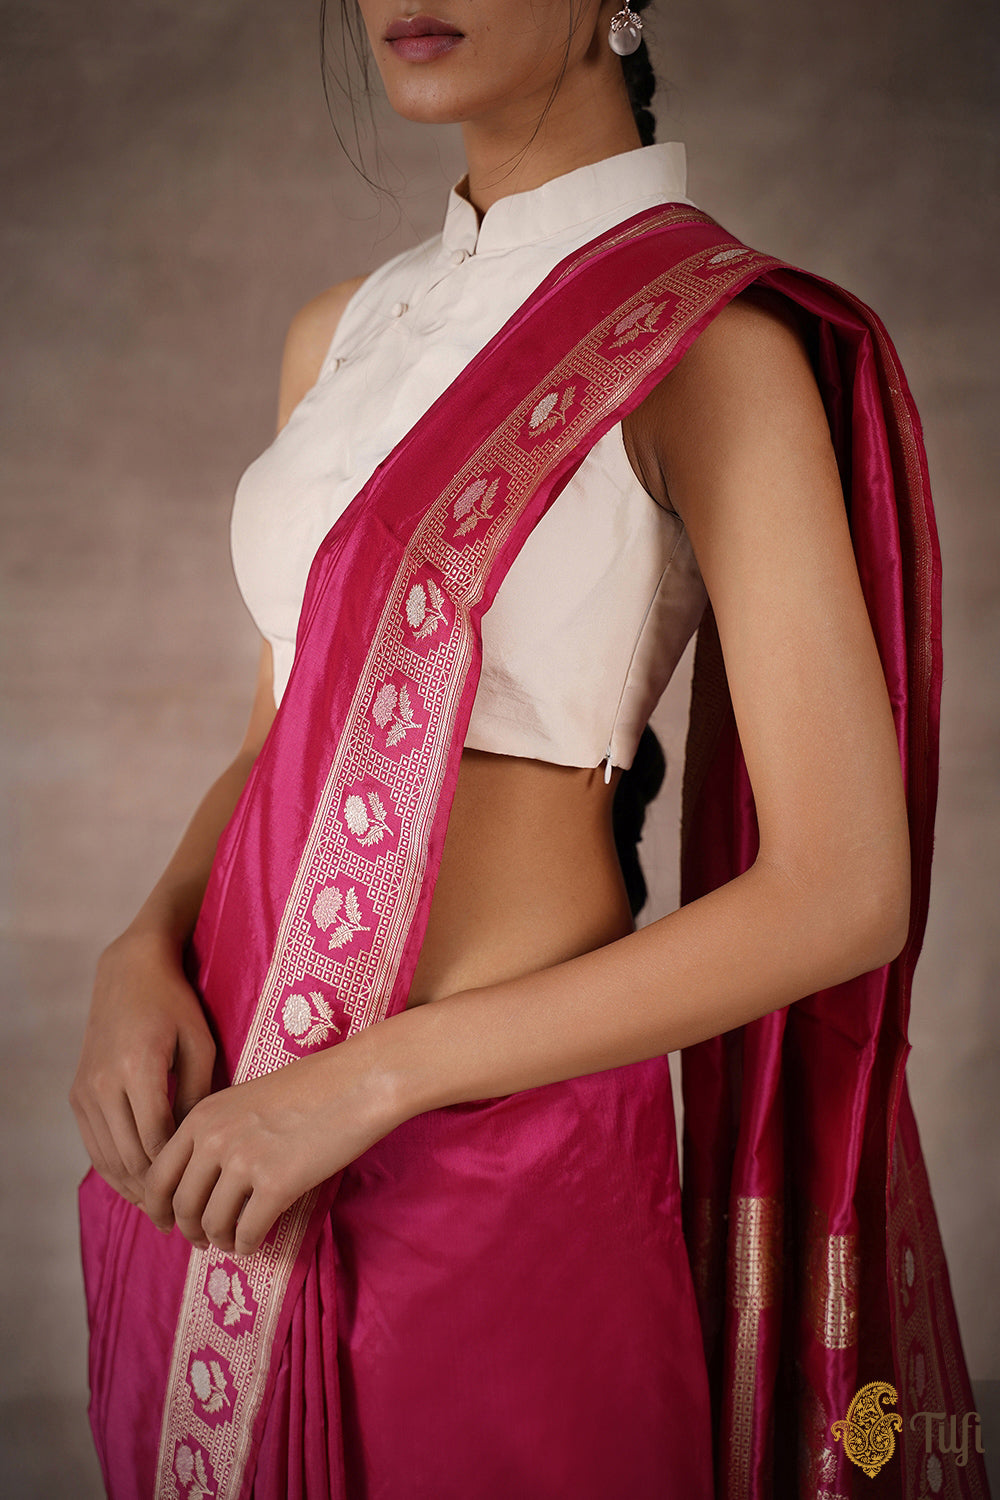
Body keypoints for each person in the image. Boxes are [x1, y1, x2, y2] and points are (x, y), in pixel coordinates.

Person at [71, 3, 986, 1497]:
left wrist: (367, 1083)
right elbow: (284, 735)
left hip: (482, 1160)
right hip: (222, 1134)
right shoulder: (341, 333)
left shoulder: (707, 349)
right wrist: (142, 945)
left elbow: (843, 891)